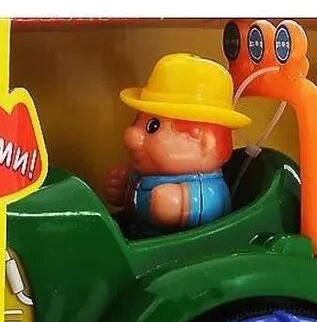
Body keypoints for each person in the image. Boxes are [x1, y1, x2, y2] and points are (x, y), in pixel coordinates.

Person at [103, 53, 250, 235]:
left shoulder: (207, 188)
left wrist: (180, 204)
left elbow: (208, 205)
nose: (131, 136)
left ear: (205, 142)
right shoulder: (142, 176)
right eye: (138, 121)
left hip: (189, 250)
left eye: (153, 126)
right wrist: (122, 190)